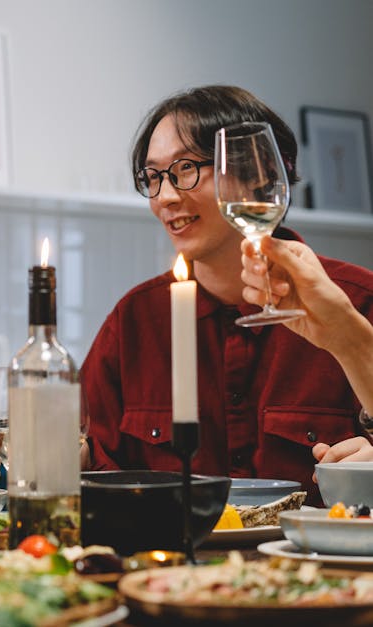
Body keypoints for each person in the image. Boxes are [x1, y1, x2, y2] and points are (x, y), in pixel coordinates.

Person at [81, 85, 373, 505]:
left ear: (258, 175)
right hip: (169, 567)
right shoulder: (136, 320)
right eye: (153, 177)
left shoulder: (355, 304)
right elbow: (87, 458)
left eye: (185, 169)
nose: (164, 197)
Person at [240, 236, 373, 447]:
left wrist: (348, 336)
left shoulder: (362, 297)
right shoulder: (168, 312)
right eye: (164, 198)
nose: (168, 200)